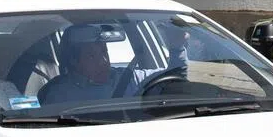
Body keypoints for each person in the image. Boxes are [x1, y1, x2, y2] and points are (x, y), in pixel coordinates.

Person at [39, 22, 187, 108]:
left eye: (105, 52)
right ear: (73, 61)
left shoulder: (130, 78)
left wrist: (177, 48)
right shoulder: (58, 94)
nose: (103, 61)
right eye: (91, 56)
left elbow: (174, 77)